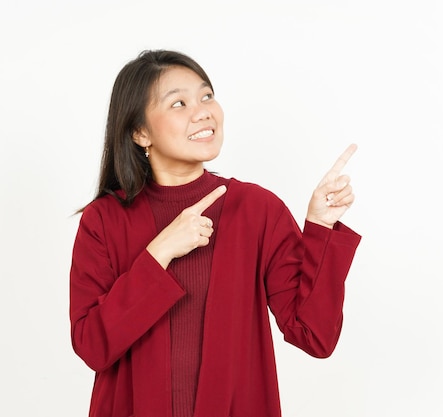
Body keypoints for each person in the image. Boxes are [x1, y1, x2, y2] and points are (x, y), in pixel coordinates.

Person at [69, 49, 361, 417]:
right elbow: (92, 346)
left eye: (206, 96)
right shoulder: (104, 220)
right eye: (179, 103)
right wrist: (159, 253)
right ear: (140, 132)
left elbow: (314, 335)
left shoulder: (256, 209)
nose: (203, 110)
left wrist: (320, 228)